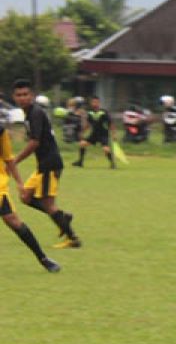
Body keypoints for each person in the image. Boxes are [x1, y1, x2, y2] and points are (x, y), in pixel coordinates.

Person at [11, 79, 82, 249]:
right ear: (14, 97)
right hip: (44, 164)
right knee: (26, 197)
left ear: (32, 96)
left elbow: (34, 142)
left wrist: (15, 160)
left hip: (49, 164)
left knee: (48, 204)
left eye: (25, 94)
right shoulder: (29, 114)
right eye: (19, 95)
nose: (22, 98)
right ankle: (62, 217)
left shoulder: (35, 113)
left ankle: (73, 239)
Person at [1, 114, 60, 271]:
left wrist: (20, 183)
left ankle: (43, 258)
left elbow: (8, 159)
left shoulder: (1, 132)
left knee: (13, 221)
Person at [73, 95, 115, 169]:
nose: (95, 104)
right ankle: (80, 162)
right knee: (82, 144)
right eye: (93, 102)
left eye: (96, 102)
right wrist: (82, 132)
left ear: (99, 103)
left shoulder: (104, 112)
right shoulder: (90, 113)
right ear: (91, 103)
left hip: (103, 134)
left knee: (105, 149)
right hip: (94, 134)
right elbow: (88, 125)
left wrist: (113, 134)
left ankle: (112, 164)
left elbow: (111, 123)